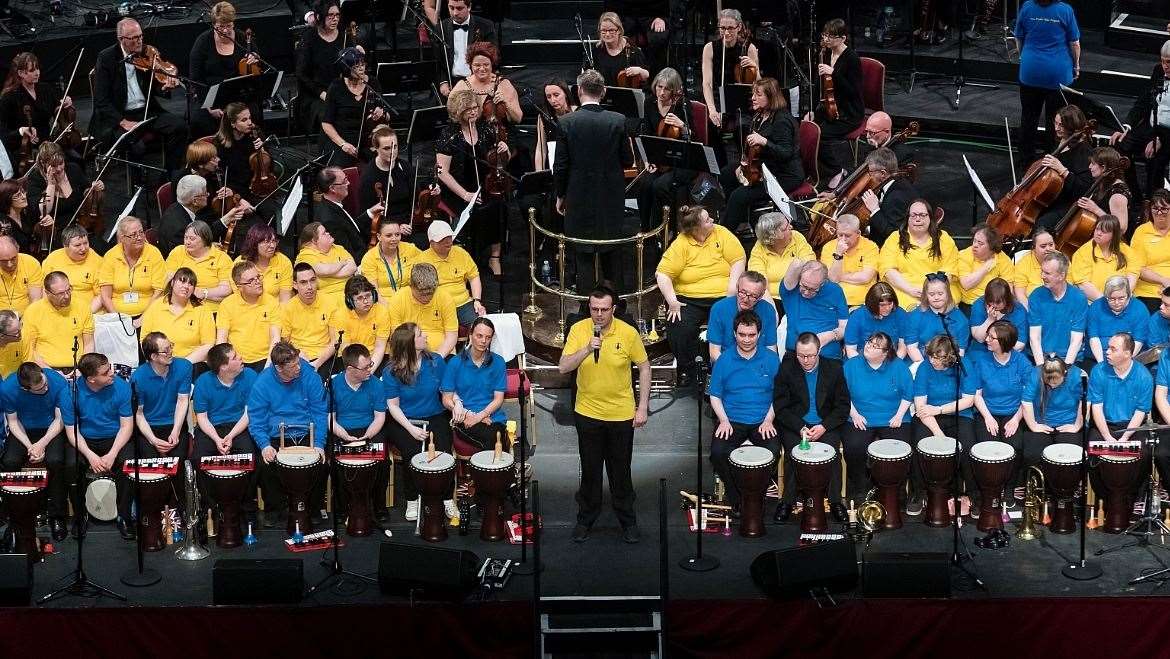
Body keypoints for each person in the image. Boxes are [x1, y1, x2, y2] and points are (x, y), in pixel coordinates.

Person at [558, 285, 650, 543]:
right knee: (590, 470)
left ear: (614, 309)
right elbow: (564, 367)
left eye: (604, 309)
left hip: (621, 414)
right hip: (587, 412)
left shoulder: (628, 332)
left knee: (621, 471)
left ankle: (628, 521)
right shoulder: (578, 330)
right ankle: (585, 519)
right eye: (594, 309)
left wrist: (642, 406)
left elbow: (644, 367)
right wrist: (587, 348)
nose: (598, 314)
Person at [554, 69, 633, 293]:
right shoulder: (618, 121)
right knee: (612, 253)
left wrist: (561, 196)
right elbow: (628, 160)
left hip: (578, 197)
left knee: (583, 256)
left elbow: (560, 166)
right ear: (604, 91)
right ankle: (617, 304)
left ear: (579, 91)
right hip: (611, 197)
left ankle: (584, 308)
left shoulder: (567, 122)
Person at [655, 205, 745, 386]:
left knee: (730, 324)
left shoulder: (721, 233)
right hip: (690, 298)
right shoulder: (681, 243)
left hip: (723, 295)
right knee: (678, 325)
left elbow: (738, 260)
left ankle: (729, 368)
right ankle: (691, 370)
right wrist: (672, 302)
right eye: (707, 220)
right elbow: (662, 274)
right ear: (696, 228)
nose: (712, 220)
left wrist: (731, 291)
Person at [247, 341, 329, 527]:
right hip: (276, 435)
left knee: (321, 464)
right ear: (279, 368)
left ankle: (313, 508)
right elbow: (256, 419)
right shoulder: (263, 383)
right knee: (265, 464)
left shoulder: (309, 375)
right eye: (293, 366)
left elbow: (320, 412)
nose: (299, 368)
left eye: (298, 362)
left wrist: (319, 443)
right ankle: (275, 509)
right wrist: (264, 445)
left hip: (307, 432)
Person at [707, 310, 780, 515]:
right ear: (734, 333)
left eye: (751, 335)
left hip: (762, 420)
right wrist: (723, 420)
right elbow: (715, 395)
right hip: (732, 420)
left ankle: (757, 495)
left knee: (773, 451)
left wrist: (768, 420)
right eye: (742, 335)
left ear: (759, 334)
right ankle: (736, 497)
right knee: (718, 453)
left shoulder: (772, 359)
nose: (746, 339)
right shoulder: (724, 360)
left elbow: (779, 395)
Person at [89, 18, 185, 173]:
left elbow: (155, 88)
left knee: (180, 127)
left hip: (146, 110)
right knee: (136, 146)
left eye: (141, 36)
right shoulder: (107, 58)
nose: (139, 41)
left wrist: (165, 88)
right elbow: (101, 100)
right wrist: (122, 121)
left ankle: (170, 175)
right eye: (134, 38)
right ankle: (137, 184)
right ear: (122, 39)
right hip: (119, 114)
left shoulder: (148, 53)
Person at [772, 332, 848, 522]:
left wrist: (823, 426)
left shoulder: (834, 368)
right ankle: (787, 502)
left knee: (832, 454)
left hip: (825, 423)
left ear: (819, 351)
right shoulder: (787, 369)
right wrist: (799, 427)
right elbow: (780, 406)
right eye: (801, 355)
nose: (805, 360)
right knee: (794, 453)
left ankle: (836, 501)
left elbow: (842, 407)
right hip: (797, 424)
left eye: (810, 356)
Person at [383, 322, 452, 523]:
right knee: (412, 452)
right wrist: (411, 429)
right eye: (420, 335)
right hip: (404, 419)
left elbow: (446, 391)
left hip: (434, 415)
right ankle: (412, 499)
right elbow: (393, 406)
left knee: (444, 451)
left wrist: (455, 404)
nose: (426, 336)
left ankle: (447, 498)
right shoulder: (391, 371)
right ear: (410, 344)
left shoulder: (436, 361)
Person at [434, 88, 507, 277]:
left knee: (499, 206)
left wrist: (503, 148)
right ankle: (468, 260)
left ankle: (495, 257)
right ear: (458, 112)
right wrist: (466, 195)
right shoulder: (449, 135)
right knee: (470, 214)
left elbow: (498, 159)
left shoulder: (485, 128)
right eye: (468, 109)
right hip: (458, 190)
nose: (474, 112)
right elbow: (442, 172)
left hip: (485, 184)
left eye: (475, 107)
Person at [1, 363, 74, 541]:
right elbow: (13, 421)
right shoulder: (9, 388)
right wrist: (30, 447)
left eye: (44, 382)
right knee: (10, 461)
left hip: (51, 429)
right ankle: (16, 517)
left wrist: (41, 444)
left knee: (56, 460)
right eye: (40, 388)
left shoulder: (56, 381)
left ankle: (58, 516)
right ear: (25, 389)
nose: (45, 387)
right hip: (24, 430)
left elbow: (60, 419)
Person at [719, 77, 803, 231]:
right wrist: (743, 165)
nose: (753, 98)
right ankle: (742, 219)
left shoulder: (782, 121)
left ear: (770, 97)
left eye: (758, 95)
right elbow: (751, 149)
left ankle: (725, 233)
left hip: (784, 175)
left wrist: (765, 141)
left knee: (739, 196)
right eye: (753, 94)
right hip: (764, 167)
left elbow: (785, 153)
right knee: (726, 173)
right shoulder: (759, 116)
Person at [69, 352, 136, 539]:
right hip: (85, 439)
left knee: (128, 464)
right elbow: (71, 430)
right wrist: (90, 455)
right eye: (106, 372)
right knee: (71, 465)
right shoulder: (72, 391)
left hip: (115, 437)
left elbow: (126, 426)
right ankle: (79, 515)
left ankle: (124, 516)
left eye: (110, 368)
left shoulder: (121, 388)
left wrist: (113, 453)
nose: (112, 373)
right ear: (91, 379)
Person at [842, 331, 913, 506]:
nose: (868, 346)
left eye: (875, 346)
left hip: (893, 416)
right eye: (868, 342)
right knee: (854, 446)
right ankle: (860, 487)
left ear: (885, 353)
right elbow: (842, 394)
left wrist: (898, 415)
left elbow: (908, 393)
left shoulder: (898, 366)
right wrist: (854, 414)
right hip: (859, 416)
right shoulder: (851, 365)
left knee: (901, 447)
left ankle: (897, 489)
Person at [192, 342, 258, 523]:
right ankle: (210, 507)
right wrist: (217, 439)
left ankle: (246, 505)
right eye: (235, 357)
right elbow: (202, 418)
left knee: (251, 456)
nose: (241, 358)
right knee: (198, 459)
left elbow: (249, 413)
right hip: (211, 428)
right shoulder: (203, 382)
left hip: (239, 426)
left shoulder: (250, 376)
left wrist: (230, 436)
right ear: (223, 367)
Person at [911, 335, 976, 514]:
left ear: (950, 358)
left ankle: (973, 494)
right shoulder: (925, 367)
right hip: (928, 417)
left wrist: (938, 409)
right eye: (931, 356)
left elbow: (968, 400)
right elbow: (920, 407)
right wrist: (938, 433)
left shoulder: (964, 365)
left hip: (958, 414)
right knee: (919, 444)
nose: (932, 361)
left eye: (938, 358)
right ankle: (919, 492)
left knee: (968, 447)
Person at [328, 343, 386, 526]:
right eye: (366, 367)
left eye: (370, 364)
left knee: (382, 461)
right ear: (351, 369)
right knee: (336, 461)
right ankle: (342, 508)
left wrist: (367, 436)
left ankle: (378, 507)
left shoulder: (376, 384)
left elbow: (379, 417)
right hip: (342, 429)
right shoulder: (333, 385)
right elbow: (330, 418)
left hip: (369, 429)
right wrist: (344, 436)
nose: (370, 369)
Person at [1015, 0, 1081, 161]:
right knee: (1057, 122)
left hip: (1030, 72)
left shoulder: (1027, 7)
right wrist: (1076, 65)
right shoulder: (1065, 10)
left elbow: (1018, 37)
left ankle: (1026, 159)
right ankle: (1051, 159)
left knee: (1029, 117)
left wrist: (1024, 57)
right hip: (1057, 74)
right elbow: (1075, 43)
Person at [188, 2, 264, 138]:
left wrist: (256, 62)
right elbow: (195, 79)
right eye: (220, 27)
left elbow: (258, 72)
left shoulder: (243, 39)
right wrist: (209, 107)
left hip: (239, 95)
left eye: (228, 26)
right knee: (201, 120)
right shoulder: (203, 42)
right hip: (211, 96)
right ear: (213, 25)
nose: (225, 31)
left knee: (254, 112)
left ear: (233, 23)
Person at [635, 67, 696, 231]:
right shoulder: (649, 103)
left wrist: (682, 125)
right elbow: (646, 134)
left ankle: (665, 228)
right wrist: (647, 160)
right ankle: (645, 227)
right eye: (659, 87)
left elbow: (693, 137)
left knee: (659, 186)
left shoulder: (683, 105)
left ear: (674, 91)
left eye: (667, 89)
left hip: (681, 162)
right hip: (658, 159)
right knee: (644, 184)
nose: (661, 92)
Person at [1110, 40, 1170, 197]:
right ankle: (1134, 194)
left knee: (1155, 159)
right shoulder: (1158, 71)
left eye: (1169, 62)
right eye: (1163, 61)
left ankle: (1152, 199)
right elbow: (1143, 101)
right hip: (1151, 126)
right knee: (1120, 143)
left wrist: (1160, 139)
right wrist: (1126, 126)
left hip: (1168, 134)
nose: (1165, 66)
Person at [441, 317, 510, 451]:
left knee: (497, 437)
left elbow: (498, 399)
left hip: (492, 416)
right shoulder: (455, 363)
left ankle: (493, 471)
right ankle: (495, 471)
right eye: (479, 336)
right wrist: (469, 415)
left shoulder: (498, 362)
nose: (483, 341)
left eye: (488, 337)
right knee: (493, 440)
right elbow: (446, 399)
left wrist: (480, 416)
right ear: (471, 335)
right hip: (464, 418)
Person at [808, 18, 864, 179]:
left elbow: (854, 92)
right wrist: (811, 110)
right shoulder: (825, 54)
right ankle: (815, 170)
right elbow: (819, 86)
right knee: (806, 129)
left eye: (831, 36)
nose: (826, 39)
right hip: (830, 108)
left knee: (820, 135)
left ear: (843, 38)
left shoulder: (852, 58)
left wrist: (834, 73)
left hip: (849, 113)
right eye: (825, 35)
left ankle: (836, 171)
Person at [879, 199, 959, 309]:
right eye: (914, 215)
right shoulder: (894, 238)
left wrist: (932, 292)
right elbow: (888, 270)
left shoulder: (943, 238)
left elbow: (950, 269)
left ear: (930, 218)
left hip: (938, 291)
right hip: (904, 291)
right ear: (907, 218)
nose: (918, 219)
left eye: (922, 215)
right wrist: (910, 289)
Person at [24, 142, 102, 251]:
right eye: (54, 166)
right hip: (56, 233)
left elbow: (87, 189)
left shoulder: (73, 169)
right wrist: (51, 185)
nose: (59, 169)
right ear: (43, 164)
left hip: (81, 225)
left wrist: (95, 187)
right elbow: (43, 210)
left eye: (61, 163)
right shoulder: (36, 178)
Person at [131, 332, 193, 464]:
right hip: (149, 426)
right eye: (165, 350)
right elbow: (139, 414)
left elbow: (182, 401)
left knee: (177, 462)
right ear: (153, 356)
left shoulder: (184, 366)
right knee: (150, 464)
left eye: (170, 346)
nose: (171, 352)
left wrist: (176, 431)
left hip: (175, 423)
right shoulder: (138, 377)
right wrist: (153, 439)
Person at [0, 52, 68, 169]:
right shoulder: (9, 97)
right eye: (32, 70)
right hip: (23, 150)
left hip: (48, 143)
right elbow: (3, 132)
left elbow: (57, 108)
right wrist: (21, 131)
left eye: (37, 68)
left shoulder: (45, 89)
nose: (37, 73)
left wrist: (64, 103)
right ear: (21, 73)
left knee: (75, 160)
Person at [701, 9, 759, 147]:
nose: (726, 32)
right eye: (722, 28)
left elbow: (759, 84)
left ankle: (742, 163)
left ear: (739, 27)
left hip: (741, 101)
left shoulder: (749, 48)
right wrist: (712, 110)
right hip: (716, 98)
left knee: (743, 126)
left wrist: (754, 69)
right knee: (711, 126)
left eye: (731, 28)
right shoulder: (710, 48)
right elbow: (706, 83)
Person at [1032, 105, 1094, 232]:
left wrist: (1063, 170)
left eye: (1061, 125)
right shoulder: (1061, 140)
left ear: (1072, 126)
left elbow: (1083, 188)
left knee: (1041, 224)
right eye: (1055, 123)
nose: (1056, 128)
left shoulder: (1084, 152)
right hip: (1050, 196)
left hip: (1067, 203)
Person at [1021, 355, 1084, 478]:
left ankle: (1065, 491)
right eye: (1048, 381)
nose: (1052, 385)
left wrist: (1077, 425)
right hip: (1042, 422)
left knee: (1070, 455)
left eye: (1056, 381)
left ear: (1064, 373)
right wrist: (1033, 425)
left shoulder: (1077, 375)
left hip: (1067, 422)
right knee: (1032, 454)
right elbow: (1026, 401)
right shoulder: (1036, 373)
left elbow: (1085, 401)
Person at [321, 48, 384, 168]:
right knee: (340, 170)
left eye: (362, 64)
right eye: (356, 66)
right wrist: (343, 144)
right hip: (342, 139)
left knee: (382, 164)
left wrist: (380, 112)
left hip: (367, 139)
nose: (361, 68)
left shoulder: (373, 83)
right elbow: (326, 124)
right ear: (346, 69)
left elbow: (383, 112)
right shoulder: (336, 87)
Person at [139, 267, 215, 367]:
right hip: (159, 363)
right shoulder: (156, 306)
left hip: (191, 363)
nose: (186, 286)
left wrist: (184, 363)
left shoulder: (203, 309)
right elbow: (144, 339)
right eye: (182, 281)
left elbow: (208, 344)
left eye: (190, 284)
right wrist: (158, 361)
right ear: (172, 283)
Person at [1088, 332, 1151, 450]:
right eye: (1108, 347)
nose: (1107, 352)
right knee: (1094, 451)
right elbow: (1096, 407)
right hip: (1104, 424)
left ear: (1127, 354)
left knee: (1144, 454)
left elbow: (1140, 411)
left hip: (1132, 426)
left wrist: (1125, 437)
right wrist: (1107, 436)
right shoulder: (1098, 371)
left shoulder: (1144, 376)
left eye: (1113, 349)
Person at [415, 220, 485, 326]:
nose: (448, 242)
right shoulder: (422, 260)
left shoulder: (461, 253)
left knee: (481, 325)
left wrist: (477, 300)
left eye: (449, 237)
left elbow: (474, 276)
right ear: (432, 242)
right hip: (437, 305)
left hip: (463, 303)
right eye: (442, 239)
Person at [216, 260, 281, 372]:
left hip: (266, 359)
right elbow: (221, 340)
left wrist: (268, 366)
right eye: (251, 280)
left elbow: (275, 337)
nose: (258, 282)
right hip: (237, 361)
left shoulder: (272, 302)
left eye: (258, 277)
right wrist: (229, 365)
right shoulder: (227, 305)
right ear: (239, 287)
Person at [24, 271, 94, 373]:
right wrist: (51, 372)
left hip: (78, 368)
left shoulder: (82, 306)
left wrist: (82, 369)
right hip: (45, 369)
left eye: (68, 290)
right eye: (61, 293)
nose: (66, 296)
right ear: (47, 293)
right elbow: (30, 350)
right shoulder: (33, 311)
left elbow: (89, 343)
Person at [846, 147, 918, 246]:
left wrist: (874, 209)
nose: (868, 176)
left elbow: (893, 235)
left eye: (870, 172)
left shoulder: (897, 197)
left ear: (883, 173)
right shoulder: (897, 181)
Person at [779, 260, 848, 361]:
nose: (806, 292)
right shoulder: (790, 290)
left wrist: (830, 336)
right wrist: (803, 271)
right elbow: (796, 263)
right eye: (804, 286)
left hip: (828, 354)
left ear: (823, 283)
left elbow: (845, 327)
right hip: (797, 354)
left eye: (812, 289)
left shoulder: (835, 290)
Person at [294, 0, 347, 132]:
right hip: (316, 94)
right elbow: (301, 74)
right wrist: (321, 93)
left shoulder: (344, 36)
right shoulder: (309, 39)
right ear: (319, 17)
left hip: (340, 89)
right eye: (330, 15)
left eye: (337, 15)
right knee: (330, 114)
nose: (335, 19)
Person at [386, 263, 458, 358]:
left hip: (443, 353)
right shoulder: (397, 299)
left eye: (430, 293)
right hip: (408, 354)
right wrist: (413, 359)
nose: (426, 298)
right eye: (422, 294)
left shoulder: (446, 298)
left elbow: (451, 336)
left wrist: (438, 357)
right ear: (411, 286)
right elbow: (396, 337)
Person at [99, 216, 166, 318]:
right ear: (122, 238)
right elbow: (105, 295)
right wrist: (118, 319)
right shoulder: (111, 256)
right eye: (133, 235)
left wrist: (144, 318)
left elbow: (159, 292)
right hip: (116, 315)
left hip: (148, 314)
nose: (139, 238)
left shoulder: (154, 253)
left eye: (141, 232)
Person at [1028, 251, 1087, 365]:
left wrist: (1065, 368)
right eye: (1042, 271)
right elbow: (1034, 337)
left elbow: (1077, 339)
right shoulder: (1036, 296)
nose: (1042, 276)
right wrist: (1041, 367)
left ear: (1061, 276)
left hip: (1070, 359)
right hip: (1043, 357)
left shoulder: (1078, 298)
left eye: (1047, 273)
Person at [280, 262, 340, 374]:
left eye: (312, 280)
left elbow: (335, 341)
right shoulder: (287, 308)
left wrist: (317, 363)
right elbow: (286, 341)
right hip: (297, 356)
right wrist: (299, 355)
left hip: (325, 357)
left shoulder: (330, 301)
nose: (309, 287)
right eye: (303, 282)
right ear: (295, 285)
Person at [312, 166, 381, 263]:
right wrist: (377, 254)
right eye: (344, 181)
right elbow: (350, 255)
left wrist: (370, 212)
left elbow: (351, 227)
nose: (348, 183)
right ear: (332, 188)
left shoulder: (333, 203)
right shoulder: (330, 220)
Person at [164, 220, 235, 313]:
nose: (187, 242)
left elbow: (226, 289)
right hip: (180, 308)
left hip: (211, 311)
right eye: (186, 238)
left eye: (192, 239)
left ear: (205, 240)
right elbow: (168, 281)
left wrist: (203, 293)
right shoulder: (177, 252)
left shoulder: (222, 258)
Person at [706, 271, 777, 361]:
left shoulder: (768, 310)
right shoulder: (719, 308)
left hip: (758, 366)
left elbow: (771, 349)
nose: (746, 299)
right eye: (743, 292)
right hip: (727, 364)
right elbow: (714, 353)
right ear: (737, 287)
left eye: (753, 296)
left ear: (761, 296)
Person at [358, 126, 416, 238]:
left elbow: (415, 198)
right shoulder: (369, 177)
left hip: (409, 223)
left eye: (395, 147)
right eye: (387, 148)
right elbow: (368, 217)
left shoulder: (404, 166)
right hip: (386, 229)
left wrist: (431, 192)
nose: (392, 152)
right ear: (376, 148)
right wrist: (397, 227)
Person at [432, 0, 498, 98]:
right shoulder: (441, 28)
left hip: (478, 80)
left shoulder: (485, 26)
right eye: (451, 8)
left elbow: (492, 56)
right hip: (452, 83)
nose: (455, 13)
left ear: (469, 7)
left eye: (459, 8)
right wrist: (443, 82)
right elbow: (438, 59)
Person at [748, 210, 813, 309]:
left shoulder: (796, 237)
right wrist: (770, 307)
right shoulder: (759, 248)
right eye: (786, 227)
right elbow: (758, 281)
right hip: (771, 299)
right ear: (775, 235)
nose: (791, 227)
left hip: (800, 296)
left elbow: (810, 264)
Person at [212, 102, 266, 215]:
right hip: (234, 190)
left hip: (256, 186)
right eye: (244, 120)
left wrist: (262, 151)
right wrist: (238, 197)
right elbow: (218, 177)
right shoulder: (219, 144)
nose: (250, 123)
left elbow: (269, 166)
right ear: (232, 124)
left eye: (250, 118)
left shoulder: (255, 133)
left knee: (270, 211)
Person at [1069, 214, 1138, 302]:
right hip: (1094, 302)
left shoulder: (1127, 251)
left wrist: (1123, 297)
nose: (1098, 233)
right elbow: (1083, 284)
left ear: (1114, 235)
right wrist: (1107, 302)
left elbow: (1132, 275)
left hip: (1123, 300)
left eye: (1104, 231)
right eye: (1097, 229)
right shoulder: (1082, 252)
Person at [905, 274, 971, 363]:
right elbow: (911, 347)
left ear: (948, 293)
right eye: (931, 294)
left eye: (940, 294)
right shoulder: (915, 315)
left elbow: (960, 352)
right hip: (920, 362)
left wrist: (945, 366)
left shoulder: (960, 319)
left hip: (949, 364)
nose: (936, 297)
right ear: (926, 295)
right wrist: (925, 368)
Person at [1068, 146, 1133, 234]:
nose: (1089, 167)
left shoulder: (1118, 194)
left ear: (1104, 167)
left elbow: (1121, 228)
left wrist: (1095, 209)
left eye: (1093, 164)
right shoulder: (1101, 182)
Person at [820, 214, 879, 307]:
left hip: (862, 303)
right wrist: (839, 254)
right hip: (833, 302)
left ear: (858, 233)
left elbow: (865, 277)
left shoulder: (871, 247)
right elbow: (832, 279)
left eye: (847, 235)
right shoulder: (828, 247)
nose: (843, 239)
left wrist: (839, 276)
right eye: (840, 235)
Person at [294, 221, 358, 308]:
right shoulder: (305, 255)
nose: (328, 233)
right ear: (314, 241)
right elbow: (325, 270)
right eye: (324, 233)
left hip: (350, 296)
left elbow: (352, 267)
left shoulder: (338, 248)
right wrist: (342, 263)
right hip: (324, 303)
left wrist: (329, 274)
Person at [1087, 276, 1148, 364]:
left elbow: (1138, 342)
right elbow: (1094, 338)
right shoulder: (1096, 307)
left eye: (1121, 298)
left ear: (1129, 295)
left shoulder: (1140, 309)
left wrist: (1122, 362)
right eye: (1111, 299)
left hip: (1129, 359)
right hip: (1097, 358)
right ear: (1106, 296)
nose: (1116, 303)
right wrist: (1100, 364)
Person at [42, 225, 102, 313]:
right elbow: (45, 291)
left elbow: (101, 295)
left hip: (89, 311)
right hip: (58, 311)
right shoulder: (52, 259)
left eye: (85, 243)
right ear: (65, 246)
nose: (83, 248)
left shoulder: (97, 260)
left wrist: (86, 314)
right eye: (77, 245)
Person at [954, 224, 1014, 310]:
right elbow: (966, 284)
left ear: (991, 247)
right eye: (974, 241)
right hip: (969, 305)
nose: (974, 245)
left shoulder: (1004, 260)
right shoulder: (964, 255)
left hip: (995, 304)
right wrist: (985, 268)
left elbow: (1008, 288)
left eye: (980, 243)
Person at [334, 275, 389, 369]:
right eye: (359, 298)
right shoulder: (340, 315)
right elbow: (346, 348)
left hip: (375, 358)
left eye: (368, 295)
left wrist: (369, 371)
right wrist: (360, 371)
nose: (366, 301)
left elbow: (380, 347)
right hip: (351, 359)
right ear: (350, 300)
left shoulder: (382, 312)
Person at [361, 217, 421, 300]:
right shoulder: (370, 258)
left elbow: (428, 261)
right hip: (383, 303)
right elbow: (374, 292)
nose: (394, 239)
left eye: (397, 235)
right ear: (379, 237)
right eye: (389, 235)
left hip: (409, 300)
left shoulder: (410, 249)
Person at [844, 281, 908, 359]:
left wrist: (894, 366)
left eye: (890, 303)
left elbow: (903, 347)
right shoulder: (857, 316)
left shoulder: (900, 314)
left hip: (892, 360)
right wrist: (865, 368)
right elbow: (851, 350)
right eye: (882, 305)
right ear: (873, 303)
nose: (887, 308)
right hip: (861, 361)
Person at [968, 277, 1029, 356]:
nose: (993, 305)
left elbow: (1020, 344)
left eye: (998, 302)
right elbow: (979, 339)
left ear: (1007, 299)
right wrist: (990, 320)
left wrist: (997, 349)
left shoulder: (1019, 310)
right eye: (990, 301)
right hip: (982, 349)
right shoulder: (979, 304)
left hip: (1009, 351)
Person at [235, 223, 293, 302]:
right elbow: (239, 298)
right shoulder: (240, 263)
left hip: (275, 311)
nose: (272, 246)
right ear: (254, 244)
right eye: (266, 242)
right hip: (248, 311)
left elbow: (285, 299)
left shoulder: (283, 261)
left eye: (274, 241)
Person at [592, 12, 649, 88]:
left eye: (611, 30)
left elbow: (647, 76)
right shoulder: (596, 50)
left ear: (619, 30)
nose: (607, 34)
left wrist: (640, 71)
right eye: (604, 31)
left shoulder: (632, 50)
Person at [1135, 189, 1170, 311]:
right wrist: (1164, 280)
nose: (1159, 212)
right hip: (1148, 292)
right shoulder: (1141, 231)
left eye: (1164, 208)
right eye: (1155, 208)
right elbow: (1138, 268)